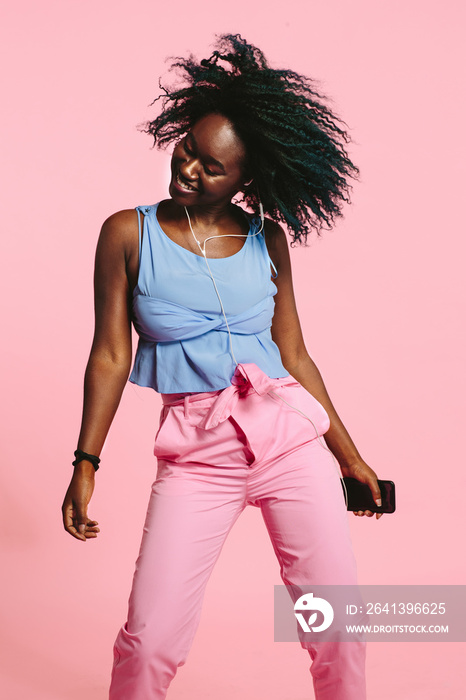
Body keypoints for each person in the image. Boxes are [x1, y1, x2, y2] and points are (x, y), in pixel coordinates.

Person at [62, 34, 382, 700]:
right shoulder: (127, 232)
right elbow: (111, 353)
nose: (188, 170)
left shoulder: (267, 237)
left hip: (290, 447)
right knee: (149, 641)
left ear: (246, 180)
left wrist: (350, 459)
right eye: (187, 150)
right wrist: (85, 463)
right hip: (195, 456)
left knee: (339, 630)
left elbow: (294, 354)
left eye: (211, 166)